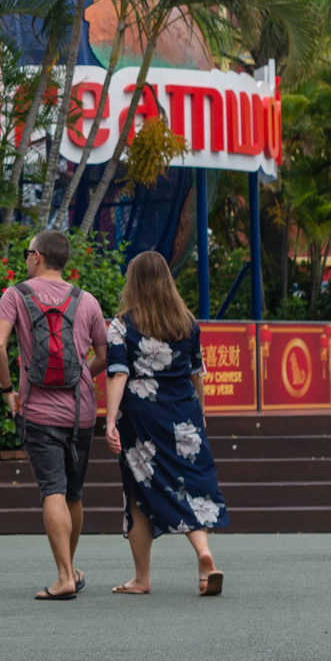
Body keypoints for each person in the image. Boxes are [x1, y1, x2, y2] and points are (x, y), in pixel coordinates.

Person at [0, 230, 108, 601]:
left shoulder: (16, 294)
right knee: (73, 492)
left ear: (37, 257)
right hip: (82, 411)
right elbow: (104, 355)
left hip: (37, 408)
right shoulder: (86, 300)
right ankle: (70, 568)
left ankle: (63, 577)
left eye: (27, 253)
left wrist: (8, 391)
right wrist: (81, 373)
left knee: (51, 489)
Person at [103, 250, 228, 596]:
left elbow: (117, 374)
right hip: (184, 411)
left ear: (133, 282)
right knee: (192, 486)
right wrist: (200, 411)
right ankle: (204, 555)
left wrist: (110, 421)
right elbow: (196, 373)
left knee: (138, 492)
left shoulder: (121, 325)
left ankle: (142, 578)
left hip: (142, 417)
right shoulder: (187, 322)